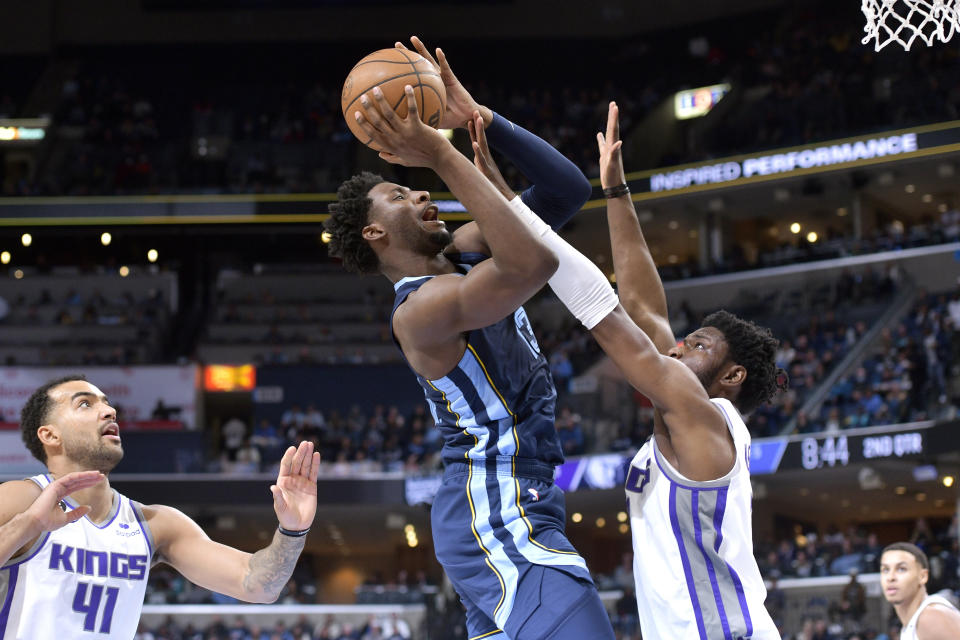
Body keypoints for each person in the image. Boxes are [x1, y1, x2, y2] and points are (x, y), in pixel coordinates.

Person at [325, 36, 613, 640]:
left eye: (414, 185)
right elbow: (531, 266)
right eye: (401, 195)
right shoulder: (418, 312)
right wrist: (440, 154)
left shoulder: (462, 252)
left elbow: (567, 193)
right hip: (496, 503)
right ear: (376, 232)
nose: (423, 193)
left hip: (516, 498)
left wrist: (478, 119)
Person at [469, 101, 786, 637]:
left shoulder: (704, 416)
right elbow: (645, 313)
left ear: (731, 377)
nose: (681, 346)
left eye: (700, 344)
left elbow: (609, 315)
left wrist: (510, 207)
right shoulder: (684, 409)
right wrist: (616, 191)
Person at [0, 374, 320, 639]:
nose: (110, 412)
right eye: (85, 403)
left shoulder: (155, 523)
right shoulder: (19, 499)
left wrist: (293, 531)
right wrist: (25, 525)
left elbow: (259, 585)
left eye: (108, 403)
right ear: (50, 435)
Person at [880, 542, 960, 640]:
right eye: (885, 570)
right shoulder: (914, 622)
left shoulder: (930, 617)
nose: (890, 577)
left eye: (901, 569)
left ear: (923, 576)